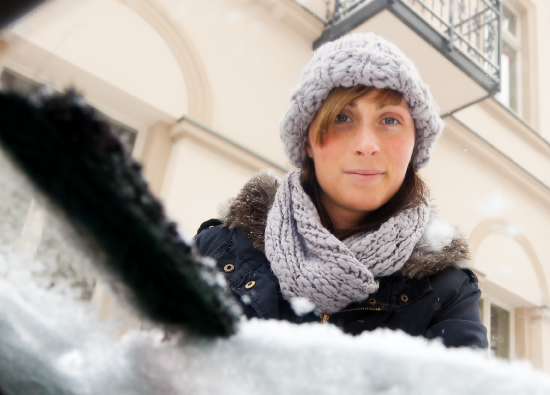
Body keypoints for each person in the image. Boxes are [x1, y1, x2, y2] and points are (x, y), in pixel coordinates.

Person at [194, 33, 487, 348]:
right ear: (307, 140)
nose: (366, 145)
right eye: (342, 117)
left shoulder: (447, 291)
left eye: (389, 119)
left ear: (415, 144)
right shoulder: (215, 252)